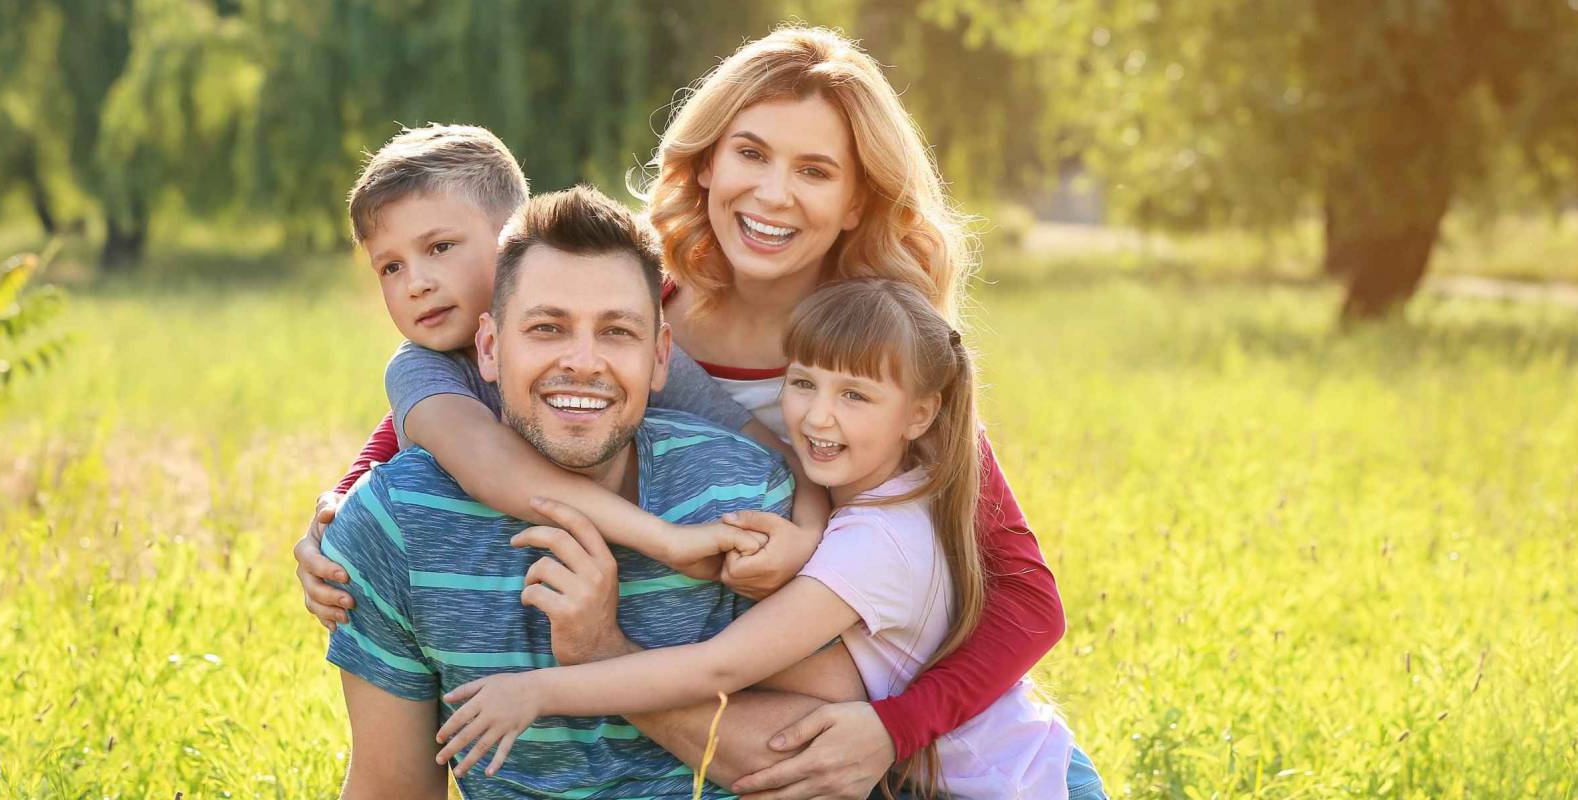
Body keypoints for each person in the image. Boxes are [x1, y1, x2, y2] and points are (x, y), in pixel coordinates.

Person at [304, 26, 1091, 798]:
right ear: (708, 162)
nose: (772, 193)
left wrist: (896, 727)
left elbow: (1029, 600)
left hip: (966, 751)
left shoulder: (873, 360)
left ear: (857, 201)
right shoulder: (634, 299)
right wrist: (346, 507)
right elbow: (470, 395)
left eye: (815, 170)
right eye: (751, 153)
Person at [433, 279, 1105, 799]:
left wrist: (539, 690)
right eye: (803, 382)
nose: (816, 416)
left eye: (855, 396)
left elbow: (720, 667)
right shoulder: (894, 488)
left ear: (921, 414)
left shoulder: (880, 544)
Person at [320, 186, 865, 798]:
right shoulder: (396, 525)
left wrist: (604, 651)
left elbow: (827, 764)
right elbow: (391, 788)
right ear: (491, 348)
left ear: (660, 358)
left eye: (616, 332)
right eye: (548, 328)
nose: (583, 362)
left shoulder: (744, 500)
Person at [292, 123, 830, 639]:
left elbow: (768, 446)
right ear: (488, 347)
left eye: (439, 248)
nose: (417, 284)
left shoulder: (610, 349)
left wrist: (806, 536)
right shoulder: (419, 368)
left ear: (511, 241)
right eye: (390, 267)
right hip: (474, 607)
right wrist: (669, 542)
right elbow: (491, 466)